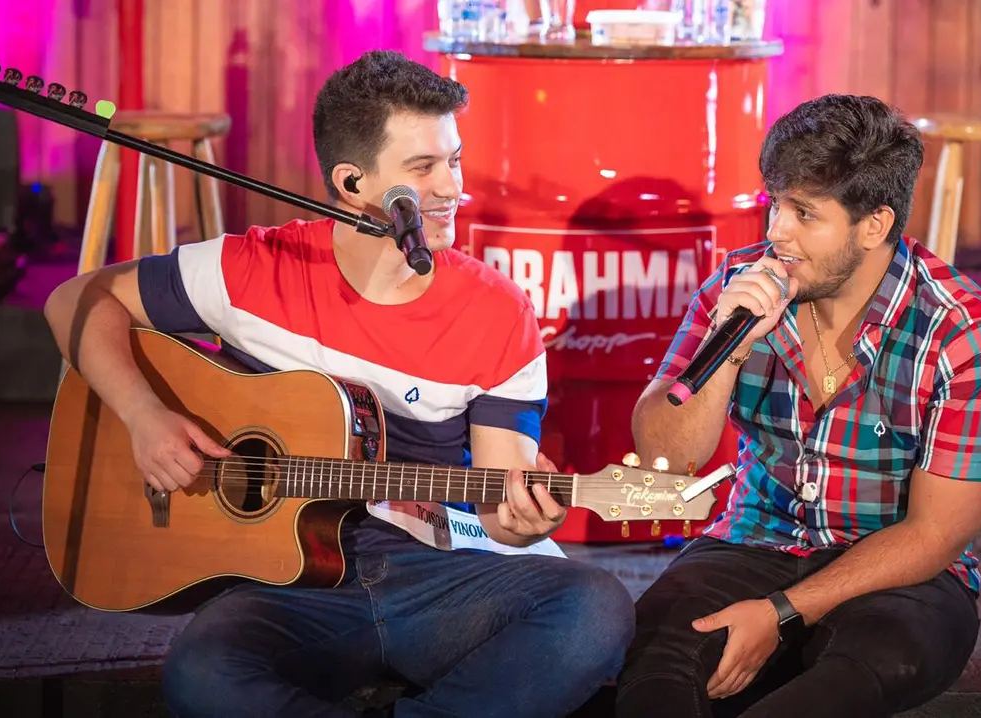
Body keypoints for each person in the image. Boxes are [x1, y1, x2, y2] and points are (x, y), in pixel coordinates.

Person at [43, 50, 634, 717]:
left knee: (595, 609)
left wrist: (527, 522)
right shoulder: (254, 268)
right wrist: (143, 414)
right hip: (282, 585)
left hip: (437, 577)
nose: (451, 187)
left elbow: (503, 504)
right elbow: (74, 301)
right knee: (201, 672)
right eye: (423, 168)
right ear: (352, 183)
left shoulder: (498, 312)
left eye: (455, 160)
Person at [616, 94, 981, 718]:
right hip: (755, 540)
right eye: (775, 204)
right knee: (652, 660)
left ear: (874, 226)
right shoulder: (737, 289)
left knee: (865, 670)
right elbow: (666, 460)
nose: (775, 232)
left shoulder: (964, 334)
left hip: (894, 567)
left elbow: (936, 533)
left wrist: (781, 613)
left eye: (804, 213)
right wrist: (729, 346)